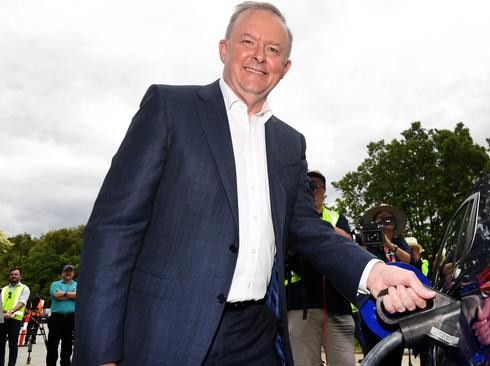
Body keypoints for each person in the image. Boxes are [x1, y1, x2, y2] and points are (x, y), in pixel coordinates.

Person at [73, 2, 434, 366]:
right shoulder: (170, 108)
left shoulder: (290, 144)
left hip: (256, 336)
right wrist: (100, 352)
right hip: (166, 331)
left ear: (285, 67)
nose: (260, 56)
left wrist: (374, 272)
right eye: (248, 41)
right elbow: (113, 230)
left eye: (273, 50)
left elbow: (309, 230)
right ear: (224, 49)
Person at [286, 170, 356, 366]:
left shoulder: (335, 217)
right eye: (307, 184)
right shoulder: (290, 218)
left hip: (337, 304)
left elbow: (349, 242)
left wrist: (317, 226)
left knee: (344, 362)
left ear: (324, 191)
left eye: (316, 185)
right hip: (301, 305)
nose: (312, 188)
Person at [359, 205, 413, 365]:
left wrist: (389, 244)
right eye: (380, 218)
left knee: (395, 351)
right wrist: (364, 239)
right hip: (372, 306)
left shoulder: (399, 241)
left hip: (398, 304)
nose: (385, 220)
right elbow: (358, 260)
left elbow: (409, 260)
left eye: (388, 217)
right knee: (373, 351)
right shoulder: (368, 242)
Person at [47, 264, 77, 366]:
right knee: (52, 346)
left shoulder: (77, 284)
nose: (68, 273)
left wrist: (63, 293)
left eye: (70, 271)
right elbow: (56, 296)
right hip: (56, 319)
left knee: (67, 347)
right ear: (62, 273)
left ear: (73, 273)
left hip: (71, 319)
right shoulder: (55, 284)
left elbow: (78, 296)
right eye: (66, 271)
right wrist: (71, 294)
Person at [0, 268, 30, 366]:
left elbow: (22, 302)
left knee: (13, 345)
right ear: (9, 276)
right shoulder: (4, 289)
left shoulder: (24, 288)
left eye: (16, 274)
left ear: (20, 276)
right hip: (2, 319)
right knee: (0, 345)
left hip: (15, 319)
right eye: (12, 274)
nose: (13, 276)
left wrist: (11, 312)